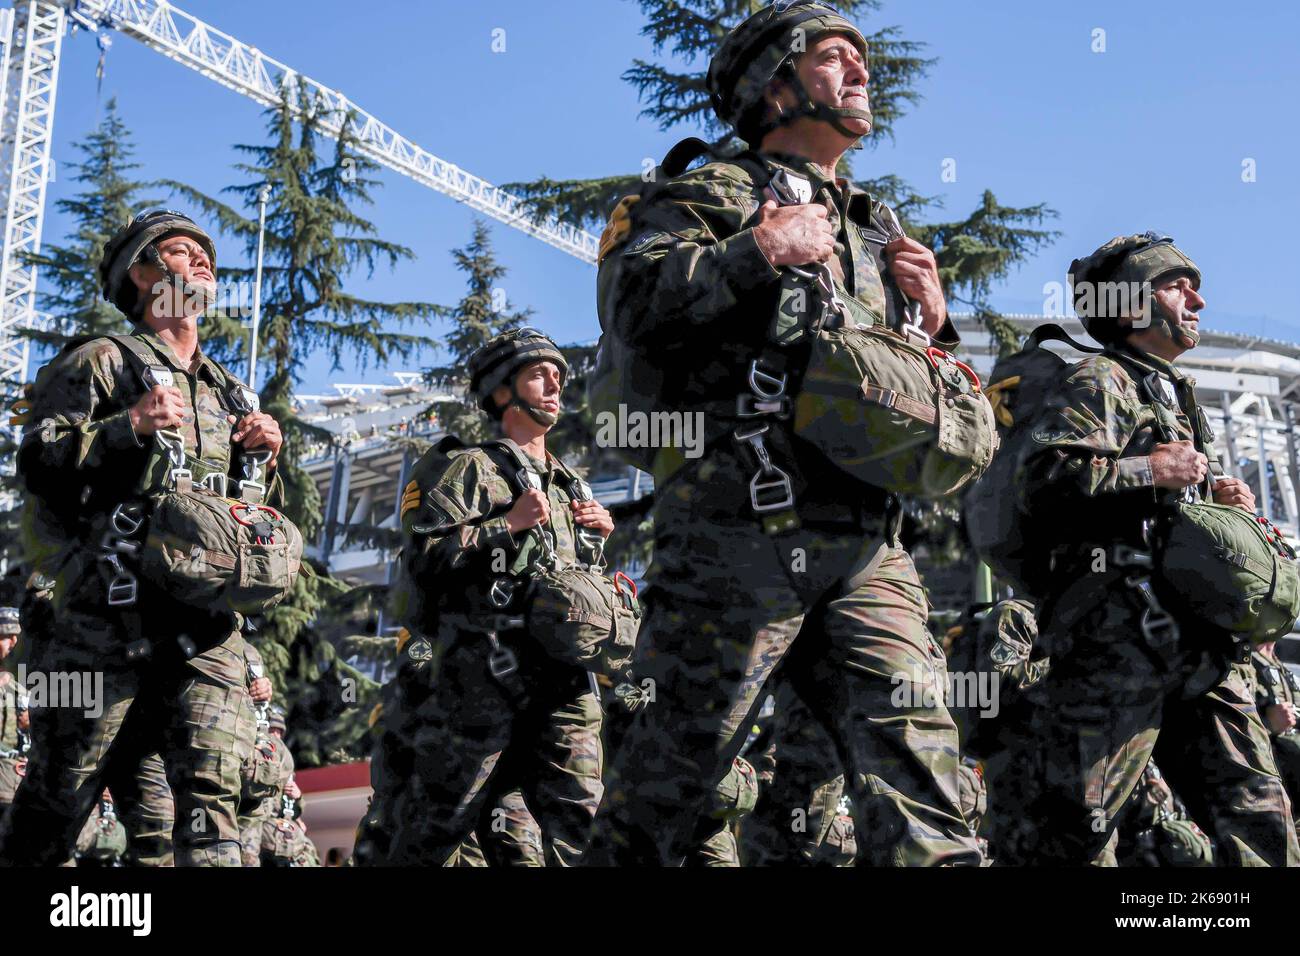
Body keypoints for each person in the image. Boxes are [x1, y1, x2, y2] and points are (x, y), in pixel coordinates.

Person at [586, 1, 982, 866]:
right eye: (835, 57)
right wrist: (755, 251)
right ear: (776, 82)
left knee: (924, 779)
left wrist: (930, 323)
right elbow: (632, 308)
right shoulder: (704, 191)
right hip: (738, 530)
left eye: (862, 60)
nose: (860, 74)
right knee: (667, 787)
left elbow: (882, 383)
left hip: (869, 545)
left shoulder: (876, 230)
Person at [1003, 232, 1298, 866]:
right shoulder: (1100, 377)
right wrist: (1149, 470)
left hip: (1201, 641)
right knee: (1078, 824)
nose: (1197, 297)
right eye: (1175, 285)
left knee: (1257, 815)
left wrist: (1224, 513)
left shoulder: (1175, 394)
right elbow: (1044, 479)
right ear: (1131, 304)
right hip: (1116, 638)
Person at [0, 210, 282, 866]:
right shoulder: (103, 360)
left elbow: (243, 515)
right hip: (100, 620)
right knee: (61, 790)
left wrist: (264, 461)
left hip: (205, 629)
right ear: (143, 273)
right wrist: (127, 425)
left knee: (212, 799)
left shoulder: (230, 393)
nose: (205, 262)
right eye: (184, 251)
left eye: (208, 254)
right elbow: (36, 461)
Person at [356, 328, 614, 866]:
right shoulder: (474, 468)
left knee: (581, 821)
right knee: (442, 820)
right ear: (502, 392)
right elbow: (426, 559)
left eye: (559, 375)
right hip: (483, 674)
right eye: (538, 374)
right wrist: (506, 524)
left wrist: (595, 542)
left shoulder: (572, 486)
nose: (555, 384)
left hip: (562, 678)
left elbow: (565, 585)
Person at [0, 609, 29, 824]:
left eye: (16, 637)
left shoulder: (19, 689)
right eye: (6, 636)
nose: (13, 642)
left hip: (13, 792)